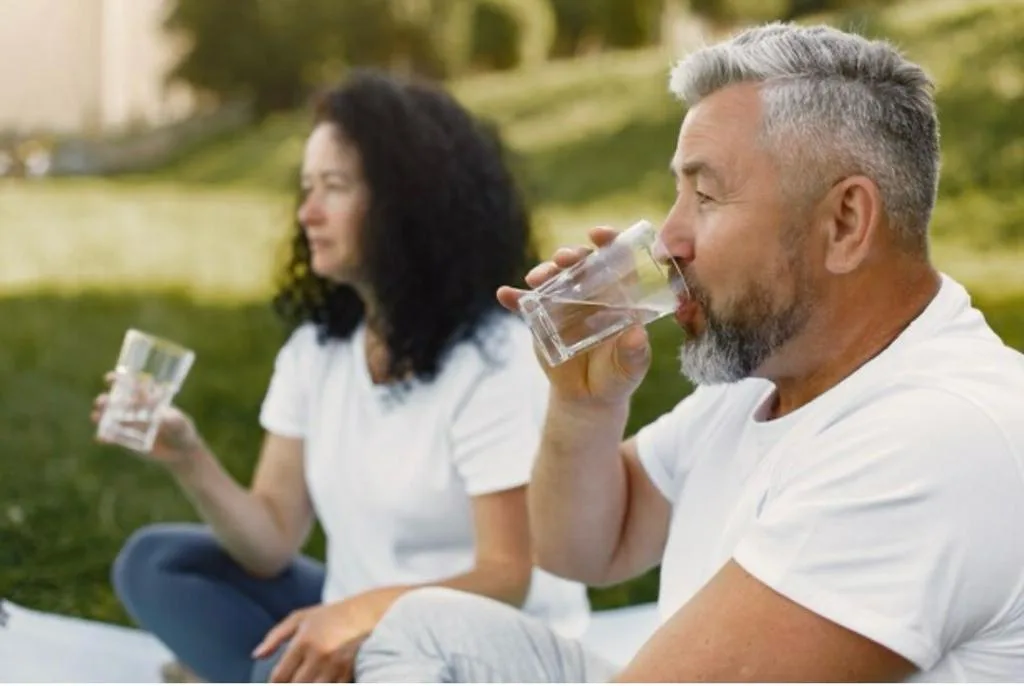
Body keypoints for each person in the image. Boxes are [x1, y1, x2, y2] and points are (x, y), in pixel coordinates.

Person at [351, 22, 1024, 683]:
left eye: (704, 195)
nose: (668, 238)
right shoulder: (771, 377)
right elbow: (584, 548)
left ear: (844, 223)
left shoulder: (935, 439)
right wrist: (583, 405)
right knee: (427, 629)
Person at [92, 69, 590, 683]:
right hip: (354, 621)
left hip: (482, 647)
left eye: (334, 187)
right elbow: (271, 540)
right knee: (158, 563)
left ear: (405, 203)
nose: (307, 212)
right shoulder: (316, 353)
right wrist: (187, 455)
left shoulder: (495, 359)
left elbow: (506, 576)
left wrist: (355, 619)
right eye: (307, 187)